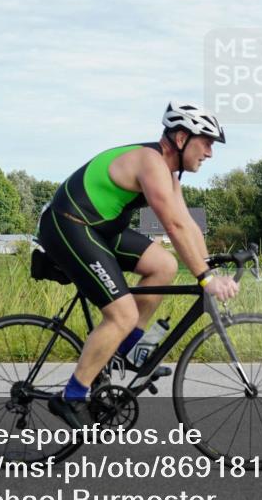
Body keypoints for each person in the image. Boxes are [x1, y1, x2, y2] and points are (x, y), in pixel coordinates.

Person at [38, 101, 239, 428]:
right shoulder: (151, 163)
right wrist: (204, 279)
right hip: (68, 224)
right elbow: (171, 227)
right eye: (206, 142)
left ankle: (131, 348)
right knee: (122, 313)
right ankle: (72, 396)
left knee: (164, 265)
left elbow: (186, 224)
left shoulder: (170, 176)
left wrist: (211, 269)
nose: (210, 152)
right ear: (181, 138)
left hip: (100, 229)